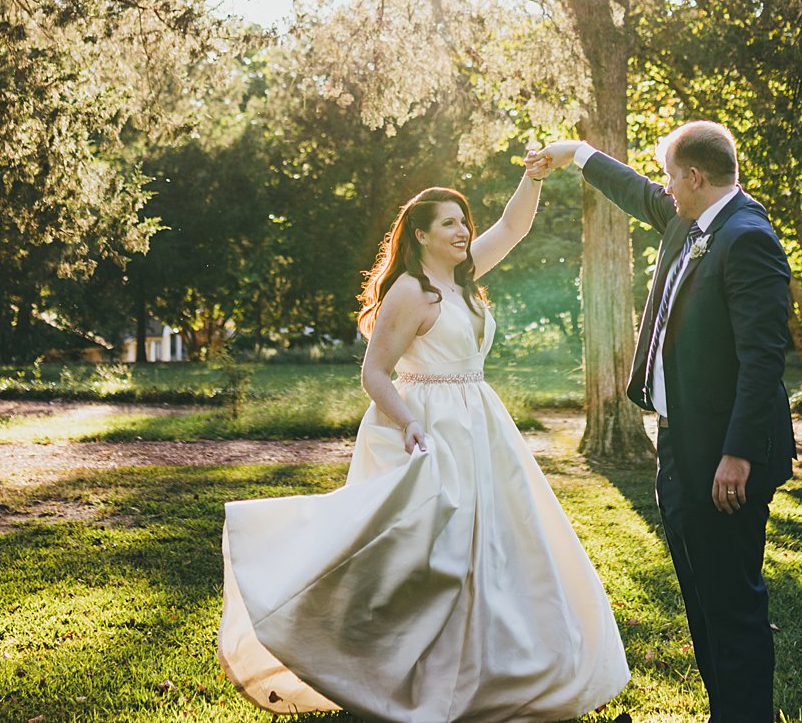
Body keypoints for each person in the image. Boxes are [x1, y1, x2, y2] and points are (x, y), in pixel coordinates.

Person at [218, 161, 629, 722]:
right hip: (426, 428)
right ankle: (382, 663)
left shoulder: (464, 276)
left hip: (480, 423)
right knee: (431, 557)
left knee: (500, 551)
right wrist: (409, 421)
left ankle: (501, 673)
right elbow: (375, 372)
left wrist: (533, 178)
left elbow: (512, 228)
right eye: (450, 224)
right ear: (421, 235)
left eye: (464, 222)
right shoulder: (410, 291)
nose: (463, 232)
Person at [536, 122, 796, 723]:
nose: (665, 188)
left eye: (670, 176)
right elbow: (635, 191)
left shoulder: (747, 238)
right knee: (702, 598)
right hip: (680, 444)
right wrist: (578, 156)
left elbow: (763, 361)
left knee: (732, 602)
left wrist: (738, 454)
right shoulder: (692, 221)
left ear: (695, 177)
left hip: (726, 456)